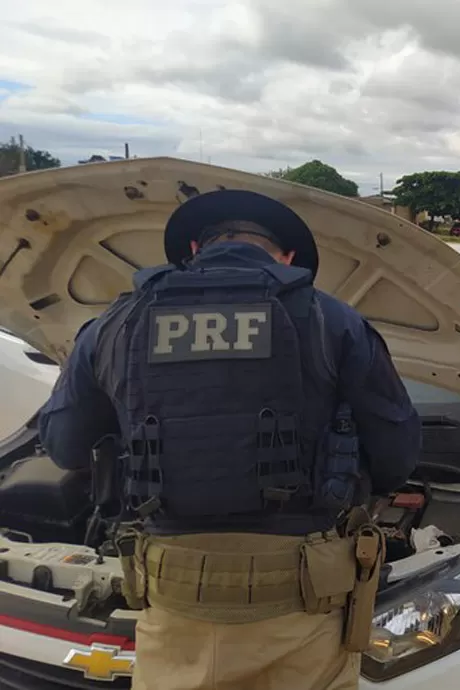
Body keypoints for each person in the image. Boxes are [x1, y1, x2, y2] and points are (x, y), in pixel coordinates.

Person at [37, 189, 422, 690]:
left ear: (195, 248)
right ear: (286, 258)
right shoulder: (334, 320)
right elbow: (396, 457)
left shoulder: (114, 324)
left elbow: (64, 445)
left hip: (174, 602)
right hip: (302, 604)